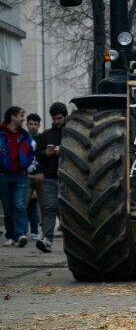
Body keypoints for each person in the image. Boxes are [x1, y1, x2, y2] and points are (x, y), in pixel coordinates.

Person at [34, 102, 68, 253]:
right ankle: (46, 240)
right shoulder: (45, 135)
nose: (56, 121)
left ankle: (74, 243)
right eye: (54, 119)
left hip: (69, 180)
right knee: (49, 209)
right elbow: (36, 156)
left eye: (59, 118)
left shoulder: (72, 133)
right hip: (50, 179)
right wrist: (45, 154)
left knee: (68, 213)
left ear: (65, 117)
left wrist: (64, 150)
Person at [0, 106, 35, 247]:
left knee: (19, 205)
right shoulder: (0, 133)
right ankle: (11, 236)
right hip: (3, 176)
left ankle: (21, 234)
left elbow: (33, 152)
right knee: (7, 208)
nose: (23, 119)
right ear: (13, 117)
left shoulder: (25, 136)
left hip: (20, 175)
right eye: (21, 115)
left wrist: (31, 166)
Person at [25, 113, 44, 241]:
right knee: (25, 205)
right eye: (30, 124)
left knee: (41, 206)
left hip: (39, 177)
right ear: (27, 124)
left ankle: (36, 231)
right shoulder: (23, 139)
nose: (33, 127)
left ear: (39, 125)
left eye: (35, 124)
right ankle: (22, 231)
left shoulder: (42, 139)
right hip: (25, 177)